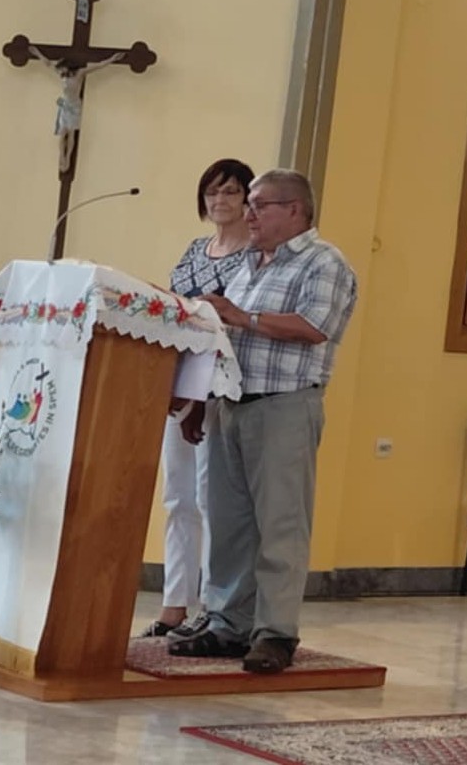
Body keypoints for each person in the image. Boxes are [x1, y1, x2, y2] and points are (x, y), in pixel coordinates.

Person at [168, 169, 357, 673]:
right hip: (230, 404)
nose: (248, 214)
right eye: (249, 204)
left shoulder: (324, 262)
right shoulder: (251, 264)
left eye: (259, 205)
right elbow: (223, 339)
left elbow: (315, 327)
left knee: (280, 526)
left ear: (294, 209)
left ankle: (275, 633)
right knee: (228, 524)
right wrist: (198, 400)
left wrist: (241, 316)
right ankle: (228, 624)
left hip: (284, 407)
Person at [141, 158, 255, 638]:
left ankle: (214, 605)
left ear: (248, 198)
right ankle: (174, 603)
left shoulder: (254, 257)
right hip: (181, 378)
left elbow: (237, 318)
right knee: (177, 497)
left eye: (230, 191)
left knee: (213, 500)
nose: (219, 200)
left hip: (222, 382)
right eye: (212, 192)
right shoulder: (194, 249)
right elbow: (176, 307)